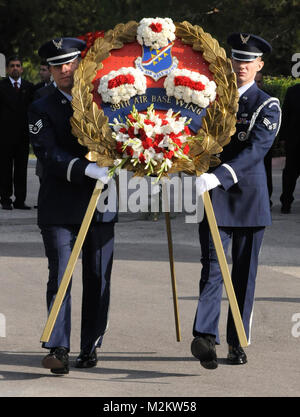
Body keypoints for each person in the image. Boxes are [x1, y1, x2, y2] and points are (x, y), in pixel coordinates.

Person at [191, 33, 281, 369]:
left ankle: (236, 341)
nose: (241, 66)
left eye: (248, 60)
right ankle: (205, 337)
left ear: (259, 65)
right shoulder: (212, 99)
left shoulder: (267, 104)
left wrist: (219, 174)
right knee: (213, 270)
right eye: (237, 59)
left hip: (249, 201)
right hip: (214, 198)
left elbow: (256, 150)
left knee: (243, 276)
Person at [28, 37, 117, 375]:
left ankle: (91, 345)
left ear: (81, 62)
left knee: (98, 278)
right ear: (49, 70)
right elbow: (48, 153)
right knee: (61, 275)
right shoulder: (41, 106)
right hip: (60, 205)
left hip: (101, 204)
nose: (65, 70)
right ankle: (59, 347)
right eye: (57, 65)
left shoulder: (106, 99)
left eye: (70, 62)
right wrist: (86, 168)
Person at [0, 56, 34, 210]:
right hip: (5, 136)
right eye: (12, 66)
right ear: (7, 69)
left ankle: (20, 200)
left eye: (18, 65)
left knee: (22, 169)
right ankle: (5, 199)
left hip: (23, 136)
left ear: (22, 69)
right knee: (5, 168)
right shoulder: (1, 86)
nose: (15, 68)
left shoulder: (29, 87)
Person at [279, 82, 300, 213]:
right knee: (290, 174)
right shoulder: (292, 91)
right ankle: (286, 202)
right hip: (294, 141)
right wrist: (282, 138)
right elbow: (285, 114)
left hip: (294, 140)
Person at [255, 72, 273, 207]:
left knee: (265, 170)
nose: (257, 84)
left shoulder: (268, 100)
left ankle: (267, 198)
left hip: (262, 144)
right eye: (255, 81)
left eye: (259, 82)